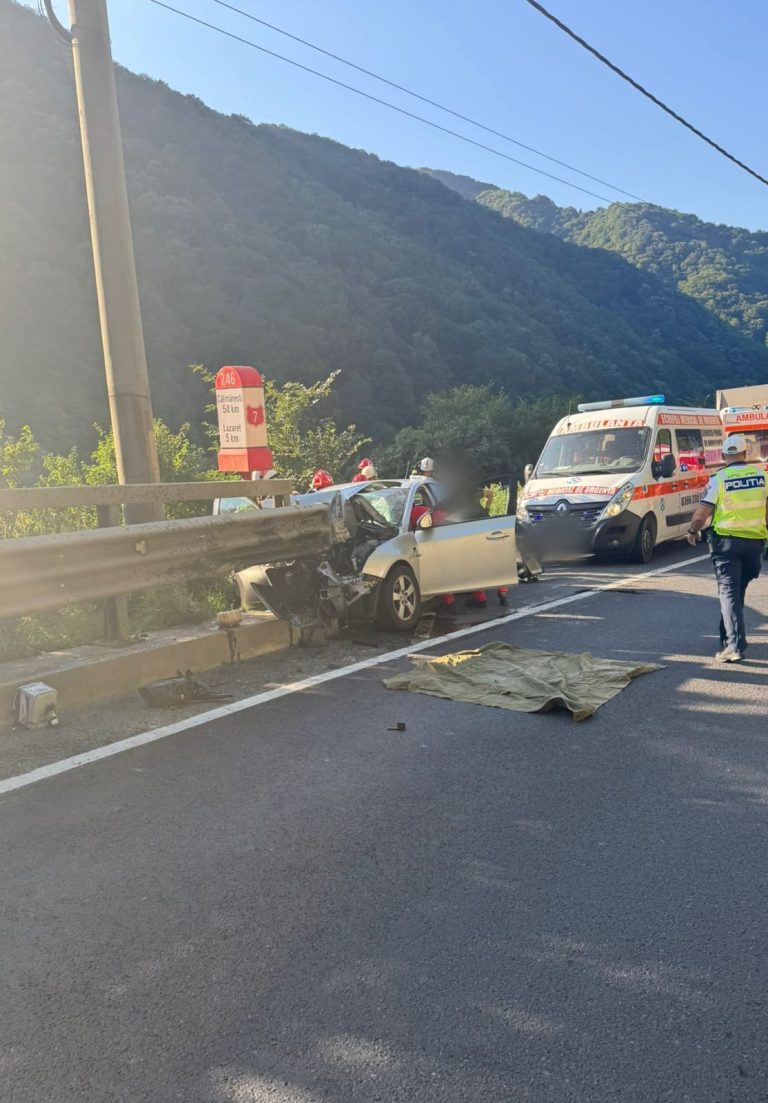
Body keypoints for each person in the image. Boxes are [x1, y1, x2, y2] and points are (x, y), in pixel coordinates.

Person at [686, 433, 768, 662]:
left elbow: (703, 513)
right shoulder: (762, 476)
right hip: (755, 545)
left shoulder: (719, 479)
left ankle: (735, 646)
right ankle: (727, 637)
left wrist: (692, 531)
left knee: (729, 594)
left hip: (727, 545)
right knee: (735, 593)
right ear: (745, 453)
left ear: (724, 455)